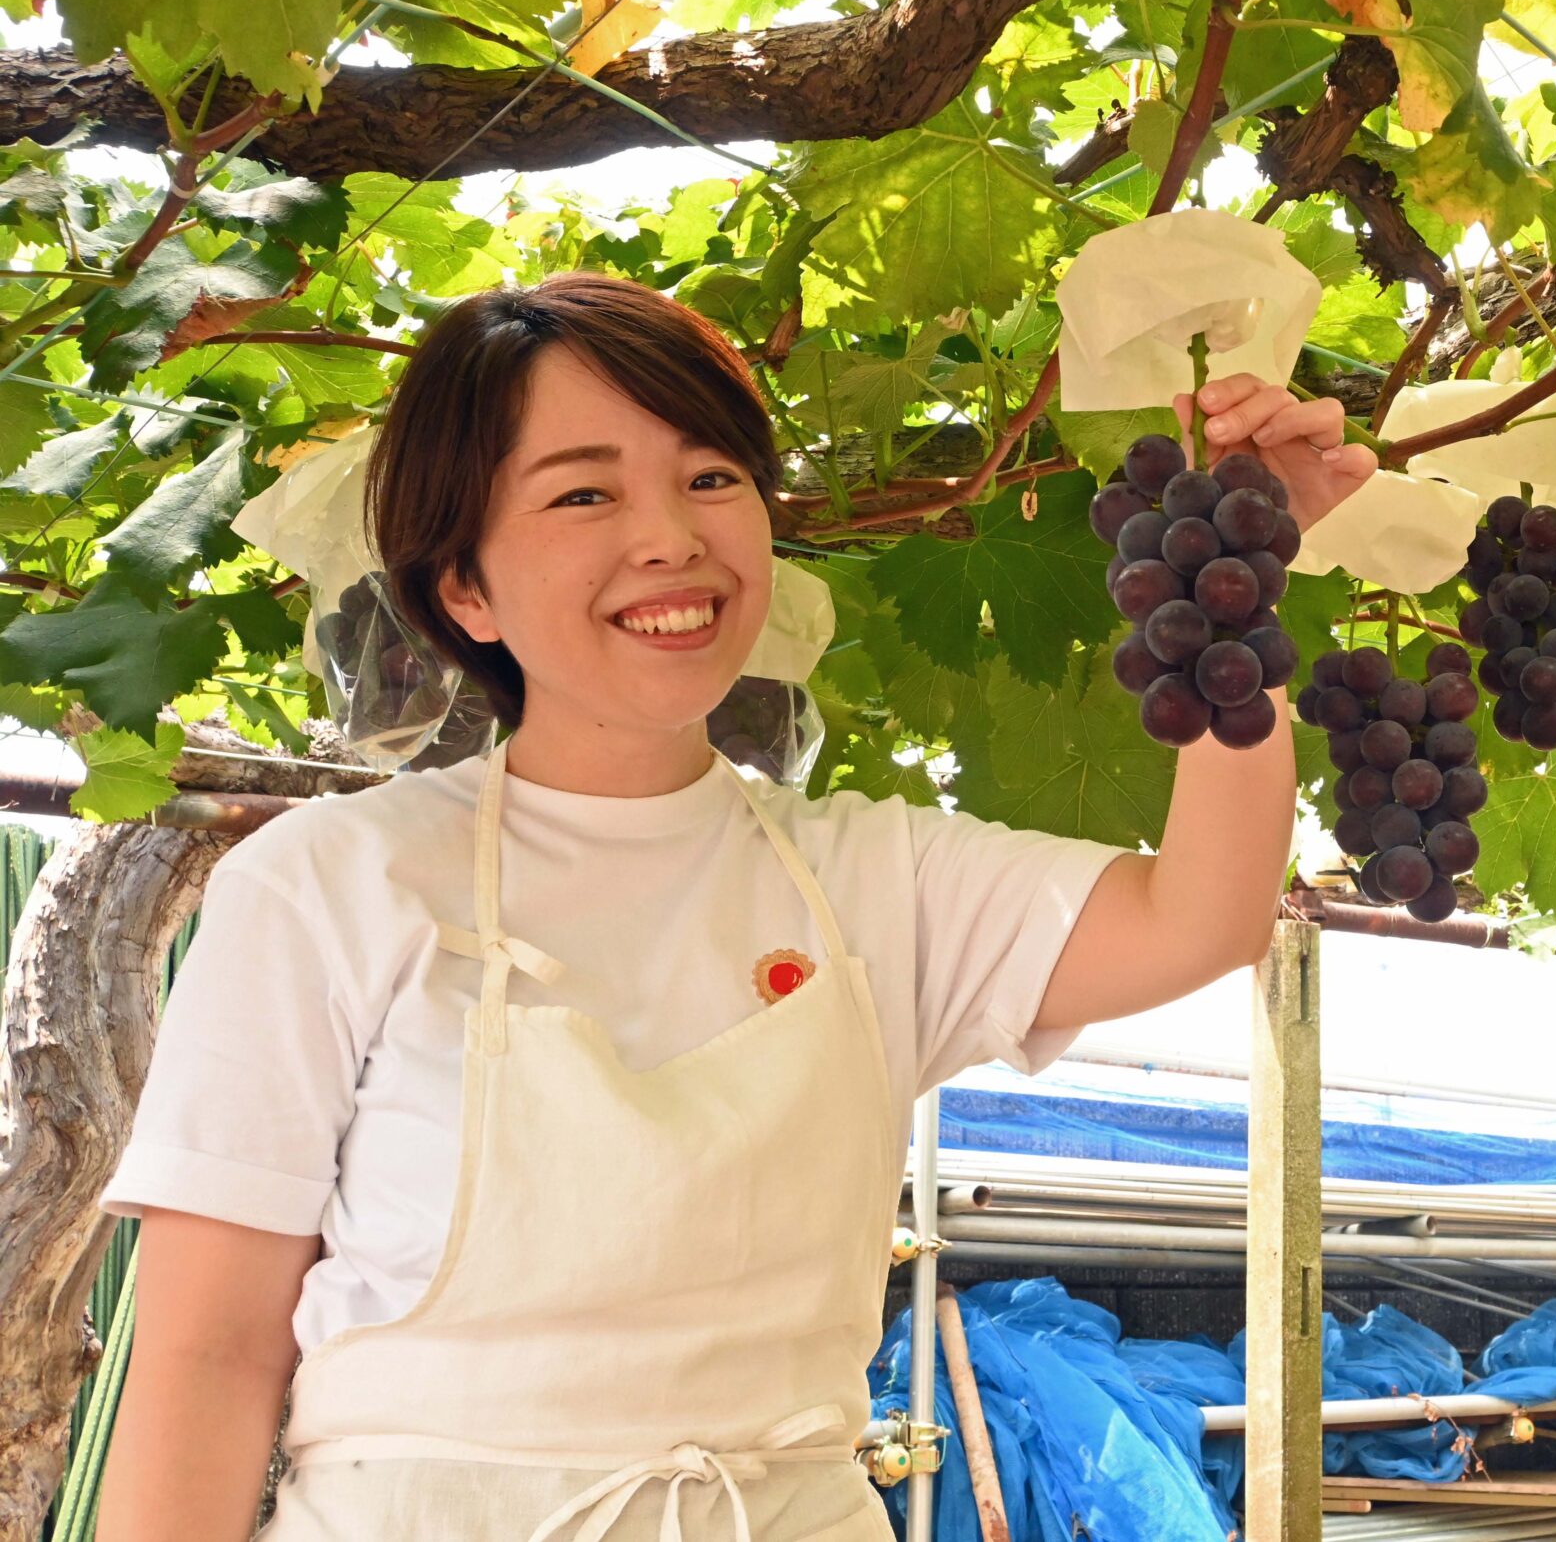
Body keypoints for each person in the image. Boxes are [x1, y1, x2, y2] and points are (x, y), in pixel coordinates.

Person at [93, 271, 1378, 1541]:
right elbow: (208, 1357)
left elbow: (1195, 918)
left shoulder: (874, 878)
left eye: (712, 478)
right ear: (463, 589)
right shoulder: (328, 880)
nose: (672, 537)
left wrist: (1240, 585)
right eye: (584, 492)